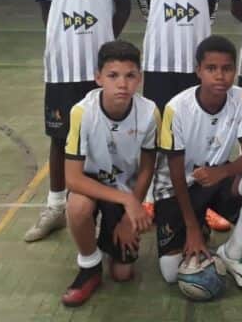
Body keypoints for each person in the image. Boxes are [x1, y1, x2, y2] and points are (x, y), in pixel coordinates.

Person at [28, 0, 132, 242]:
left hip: (99, 72)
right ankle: (56, 205)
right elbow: (47, 10)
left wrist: (102, 45)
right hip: (61, 70)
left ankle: (109, 206)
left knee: (104, 137)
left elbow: (123, 7)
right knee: (60, 139)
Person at [134, 0, 230, 233]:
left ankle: (201, 202)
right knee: (157, 133)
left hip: (196, 64)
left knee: (196, 133)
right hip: (159, 59)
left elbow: (212, 2)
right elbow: (144, 0)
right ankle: (154, 197)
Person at [153, 35, 242, 294]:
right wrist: (191, 228)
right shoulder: (177, 108)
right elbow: (175, 173)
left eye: (227, 68)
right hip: (177, 188)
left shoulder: (240, 98)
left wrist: (221, 171)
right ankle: (199, 222)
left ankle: (232, 252)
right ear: (198, 70)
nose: (220, 76)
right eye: (211, 69)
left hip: (216, 179)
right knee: (170, 273)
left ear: (235, 70)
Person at [60, 40, 156, 307]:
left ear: (140, 78)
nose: (122, 84)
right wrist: (130, 203)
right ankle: (89, 266)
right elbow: (73, 178)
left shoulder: (149, 113)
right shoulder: (82, 113)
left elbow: (148, 165)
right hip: (91, 184)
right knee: (78, 205)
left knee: (123, 274)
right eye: (113, 76)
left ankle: (108, 239)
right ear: (98, 78)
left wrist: (129, 211)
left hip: (125, 188)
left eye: (130, 76)